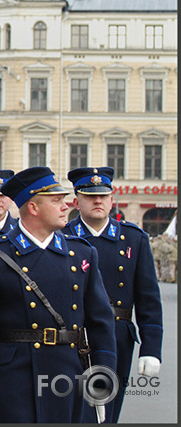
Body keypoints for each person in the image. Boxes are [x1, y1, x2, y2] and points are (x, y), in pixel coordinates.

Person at [0, 166, 117, 423]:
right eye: (56, 201)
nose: (65, 206)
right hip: (14, 380)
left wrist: (103, 376)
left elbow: (101, 324)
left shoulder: (81, 254)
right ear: (33, 208)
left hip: (69, 377)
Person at [63, 167, 162, 423]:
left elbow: (148, 298)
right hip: (73, 336)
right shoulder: (63, 237)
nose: (98, 201)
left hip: (117, 336)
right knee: (71, 406)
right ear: (76, 201)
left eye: (103, 196)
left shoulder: (132, 239)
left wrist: (151, 349)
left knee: (108, 410)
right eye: (90, 196)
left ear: (111, 199)